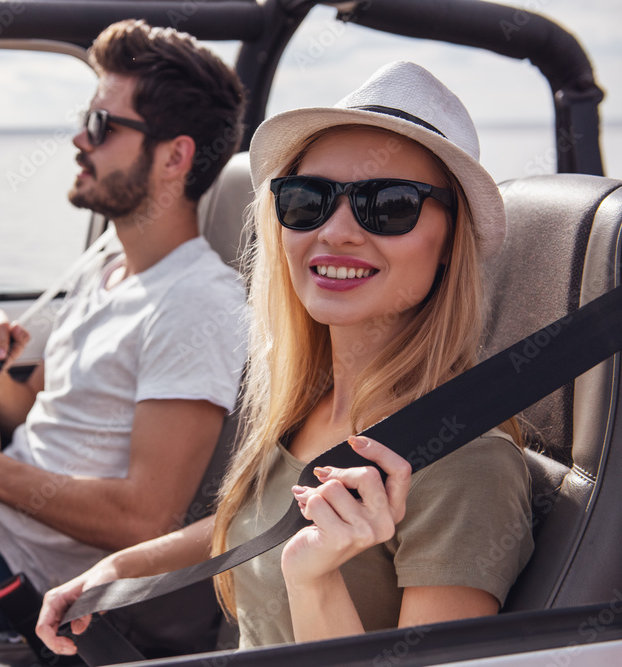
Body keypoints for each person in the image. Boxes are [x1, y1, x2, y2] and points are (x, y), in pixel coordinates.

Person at [36, 61, 534, 652]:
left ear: (453, 238)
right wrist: (119, 569)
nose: (337, 231)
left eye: (390, 204)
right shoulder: (308, 401)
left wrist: (314, 580)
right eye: (308, 200)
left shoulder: (466, 467)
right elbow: (261, 519)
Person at [0, 19, 248, 637]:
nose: (81, 138)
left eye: (103, 126)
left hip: (8, 571)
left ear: (175, 156)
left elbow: (145, 521)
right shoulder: (105, 266)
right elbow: (33, 410)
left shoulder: (198, 305)